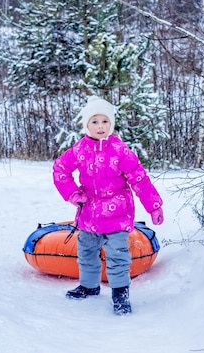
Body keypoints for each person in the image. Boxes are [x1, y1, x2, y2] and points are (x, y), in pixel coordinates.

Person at [52, 96, 164, 315]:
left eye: (105, 121)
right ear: (86, 125)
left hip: (117, 214)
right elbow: (60, 169)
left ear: (111, 124)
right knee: (86, 251)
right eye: (95, 121)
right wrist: (72, 193)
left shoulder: (120, 151)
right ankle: (89, 286)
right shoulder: (79, 150)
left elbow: (139, 179)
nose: (100, 126)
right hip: (89, 214)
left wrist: (154, 206)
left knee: (117, 255)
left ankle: (120, 294)